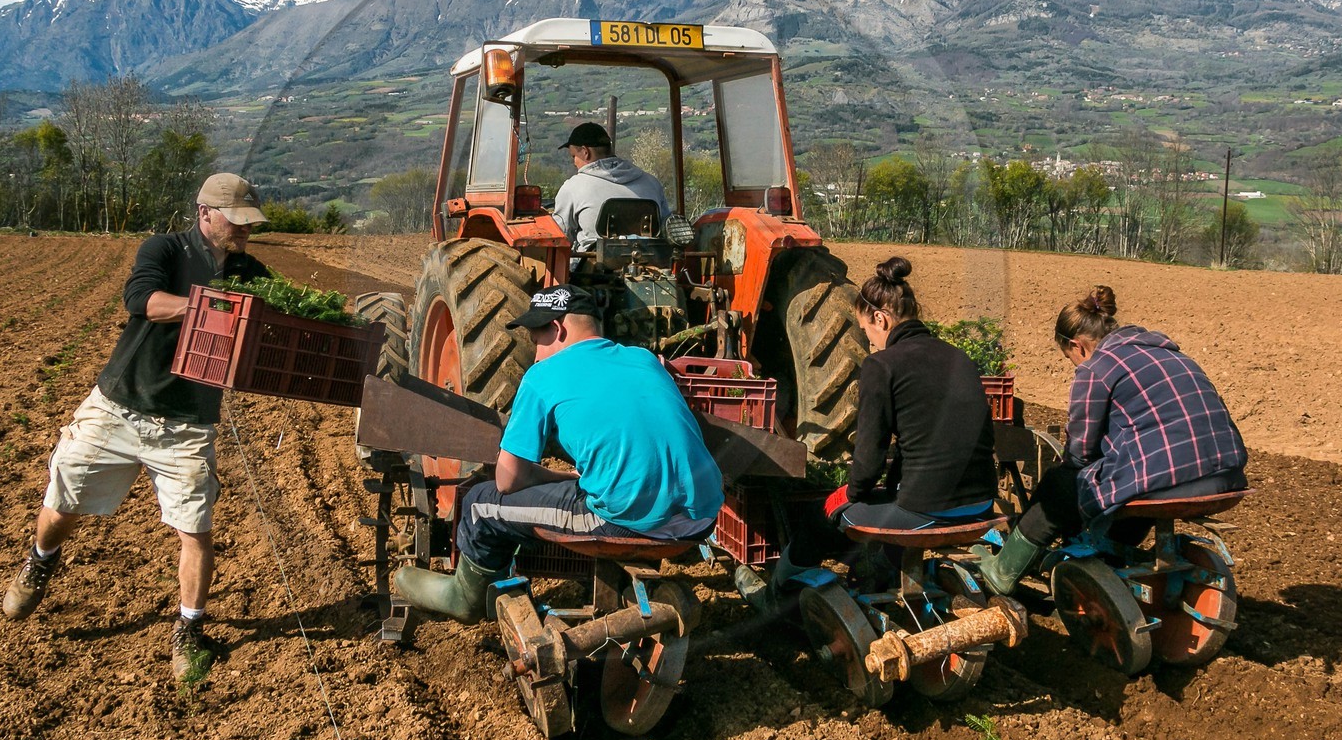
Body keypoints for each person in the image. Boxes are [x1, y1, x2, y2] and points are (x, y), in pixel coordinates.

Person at [1, 173, 271, 678]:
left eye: (248, 224)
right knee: (62, 504)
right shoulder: (165, 249)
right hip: (119, 406)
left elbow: (276, 313)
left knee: (196, 528)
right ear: (205, 213)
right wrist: (214, 308)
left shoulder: (247, 269)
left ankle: (189, 632)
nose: (243, 232)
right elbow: (141, 301)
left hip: (188, 422)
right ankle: (40, 561)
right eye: (235, 222)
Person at [394, 285, 724, 622]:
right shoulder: (642, 358)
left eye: (537, 339)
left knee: (481, 502)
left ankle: (464, 598)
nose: (536, 352)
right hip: (702, 518)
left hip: (626, 522)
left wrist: (557, 476)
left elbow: (508, 480)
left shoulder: (542, 375)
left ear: (558, 328)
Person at [738, 256, 997, 609]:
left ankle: (775, 596)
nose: (870, 343)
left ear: (881, 318)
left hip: (927, 510)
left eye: (868, 332)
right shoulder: (960, 358)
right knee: (890, 498)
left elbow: (869, 457)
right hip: (983, 503)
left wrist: (853, 492)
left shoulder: (883, 365)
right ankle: (880, 570)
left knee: (820, 515)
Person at [975, 286, 1248, 594]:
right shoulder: (1172, 354)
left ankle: (1002, 572)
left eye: (1070, 359)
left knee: (1060, 485)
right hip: (1228, 477)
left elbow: (1080, 453)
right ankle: (1110, 554)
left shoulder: (1097, 367)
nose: (1075, 366)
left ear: (1077, 346)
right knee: (1126, 487)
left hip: (1170, 478)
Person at [551, 122, 670, 252]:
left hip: (592, 268)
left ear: (585, 152)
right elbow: (666, 229)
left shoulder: (573, 187)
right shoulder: (651, 182)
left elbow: (559, 237)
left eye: (574, 156)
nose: (574, 162)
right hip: (649, 261)